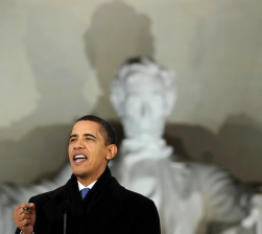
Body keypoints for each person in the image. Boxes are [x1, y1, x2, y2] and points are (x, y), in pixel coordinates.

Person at [110, 56, 262, 234]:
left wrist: (252, 200)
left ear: (168, 103)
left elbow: (238, 198)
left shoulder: (200, 179)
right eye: (135, 101)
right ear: (119, 103)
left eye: (155, 101)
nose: (146, 113)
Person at [12, 115, 161, 234]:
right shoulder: (39, 205)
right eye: (73, 139)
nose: (78, 145)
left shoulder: (140, 208)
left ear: (110, 151)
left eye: (89, 139)